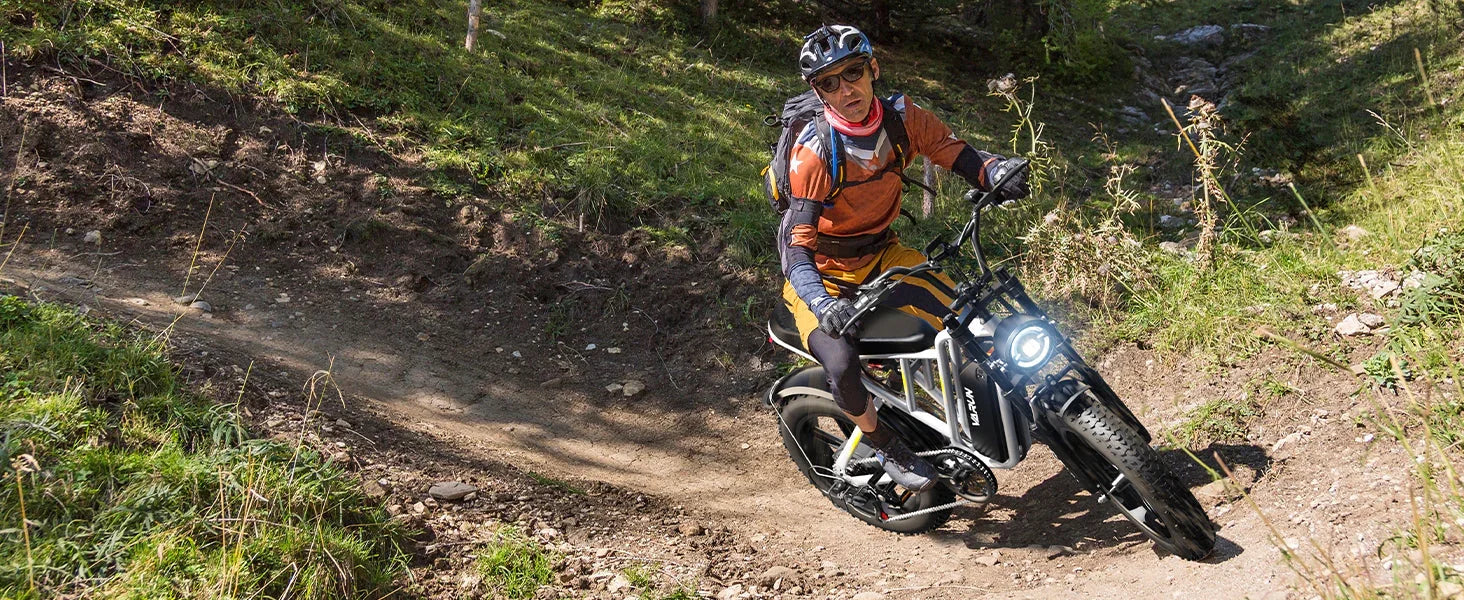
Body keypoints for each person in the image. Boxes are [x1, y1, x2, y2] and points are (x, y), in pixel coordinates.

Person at [778, 24, 1029, 491]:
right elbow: (796, 250)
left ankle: (981, 404)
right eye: (828, 82)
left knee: (972, 318)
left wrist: (996, 171)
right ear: (818, 92)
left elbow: (956, 153)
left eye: (853, 72)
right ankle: (886, 441)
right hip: (821, 272)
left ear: (873, 69)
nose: (845, 88)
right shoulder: (813, 153)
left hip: (883, 253)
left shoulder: (903, 118)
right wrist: (822, 302)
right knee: (840, 362)